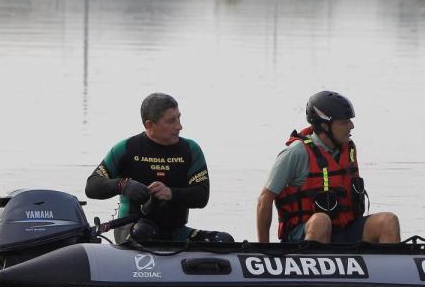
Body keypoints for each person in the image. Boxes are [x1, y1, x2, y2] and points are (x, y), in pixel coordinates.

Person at [256, 90, 400, 244]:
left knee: (388, 221)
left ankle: (386, 266)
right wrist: (263, 250)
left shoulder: (348, 149)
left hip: (345, 229)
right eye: (344, 122)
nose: (351, 126)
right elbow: (264, 199)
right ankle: (312, 264)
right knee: (321, 221)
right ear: (325, 126)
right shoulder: (296, 153)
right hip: (303, 233)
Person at [85, 92, 231, 244]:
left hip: (176, 231)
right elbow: (91, 186)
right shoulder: (127, 148)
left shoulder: (190, 150)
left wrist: (170, 193)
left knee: (224, 240)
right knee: (145, 232)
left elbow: (201, 196)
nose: (179, 126)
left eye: (179, 118)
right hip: (131, 229)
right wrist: (122, 185)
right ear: (149, 125)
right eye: (171, 121)